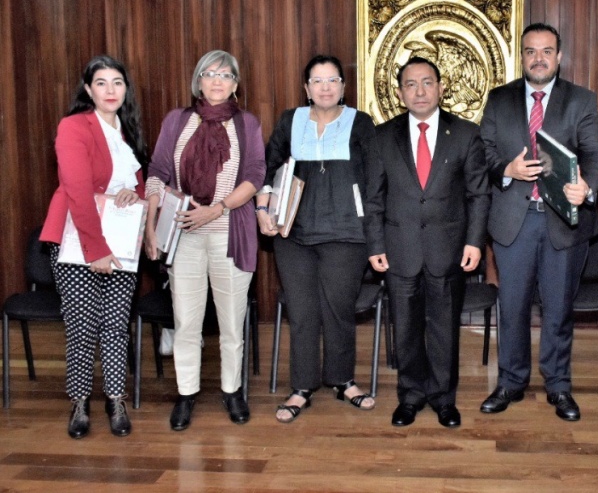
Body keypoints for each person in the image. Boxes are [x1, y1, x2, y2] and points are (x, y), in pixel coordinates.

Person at [479, 23, 598, 422]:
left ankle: (558, 386)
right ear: (522, 56)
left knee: (557, 310)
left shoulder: (581, 100)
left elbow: (596, 155)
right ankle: (510, 382)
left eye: (547, 51)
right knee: (511, 307)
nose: (539, 58)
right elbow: (482, 153)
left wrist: (586, 188)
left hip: (562, 223)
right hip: (513, 222)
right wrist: (507, 169)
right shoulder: (498, 100)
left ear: (559, 56)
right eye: (531, 51)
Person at [144, 50, 266, 430]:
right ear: (198, 81)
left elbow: (255, 174)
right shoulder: (177, 121)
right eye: (210, 74)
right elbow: (157, 172)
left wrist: (216, 210)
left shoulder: (247, 124)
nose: (217, 81)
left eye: (226, 75)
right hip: (183, 237)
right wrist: (150, 227)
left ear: (235, 84)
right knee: (187, 321)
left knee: (232, 323)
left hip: (230, 233)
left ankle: (232, 391)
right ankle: (186, 392)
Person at [364, 56, 489, 428]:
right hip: (398, 249)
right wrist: (374, 245)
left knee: (444, 327)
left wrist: (474, 242)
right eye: (411, 84)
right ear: (401, 93)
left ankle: (443, 398)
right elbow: (373, 198)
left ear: (441, 87)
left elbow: (478, 195)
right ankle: (411, 396)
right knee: (404, 328)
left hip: (448, 250)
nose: (420, 91)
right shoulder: (382, 136)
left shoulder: (466, 133)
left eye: (427, 82)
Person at [257, 55, 377, 422]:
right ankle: (302, 388)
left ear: (343, 86)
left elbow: (375, 180)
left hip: (345, 232)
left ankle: (342, 380)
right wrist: (263, 210)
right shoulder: (289, 121)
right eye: (317, 81)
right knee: (303, 311)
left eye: (332, 80)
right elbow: (269, 167)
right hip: (292, 233)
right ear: (306, 88)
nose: (325, 87)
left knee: (338, 309)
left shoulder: (361, 122)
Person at [40, 55, 147, 439]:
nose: (110, 90)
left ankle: (115, 400)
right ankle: (80, 402)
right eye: (101, 83)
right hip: (78, 242)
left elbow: (133, 185)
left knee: (116, 327)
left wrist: (131, 197)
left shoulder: (126, 130)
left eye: (117, 82)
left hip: (122, 244)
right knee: (82, 328)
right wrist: (96, 249)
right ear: (88, 89)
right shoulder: (73, 127)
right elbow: (78, 190)